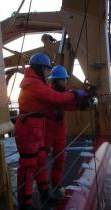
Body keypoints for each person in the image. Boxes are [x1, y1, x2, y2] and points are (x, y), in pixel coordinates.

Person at [14, 53, 88, 210]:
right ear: (40, 68)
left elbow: (61, 100)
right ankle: (25, 205)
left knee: (40, 161)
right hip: (29, 129)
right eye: (47, 68)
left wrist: (80, 101)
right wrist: (76, 95)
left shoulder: (37, 83)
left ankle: (45, 193)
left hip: (37, 127)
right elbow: (56, 98)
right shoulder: (34, 84)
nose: (49, 72)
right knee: (28, 166)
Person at [45, 65, 77, 200]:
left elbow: (70, 105)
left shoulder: (65, 92)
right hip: (47, 128)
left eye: (65, 79)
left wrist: (82, 102)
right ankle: (42, 186)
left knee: (60, 156)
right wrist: (73, 95)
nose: (65, 82)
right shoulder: (49, 93)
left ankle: (56, 184)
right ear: (55, 81)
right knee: (42, 157)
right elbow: (59, 100)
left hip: (59, 127)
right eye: (62, 80)